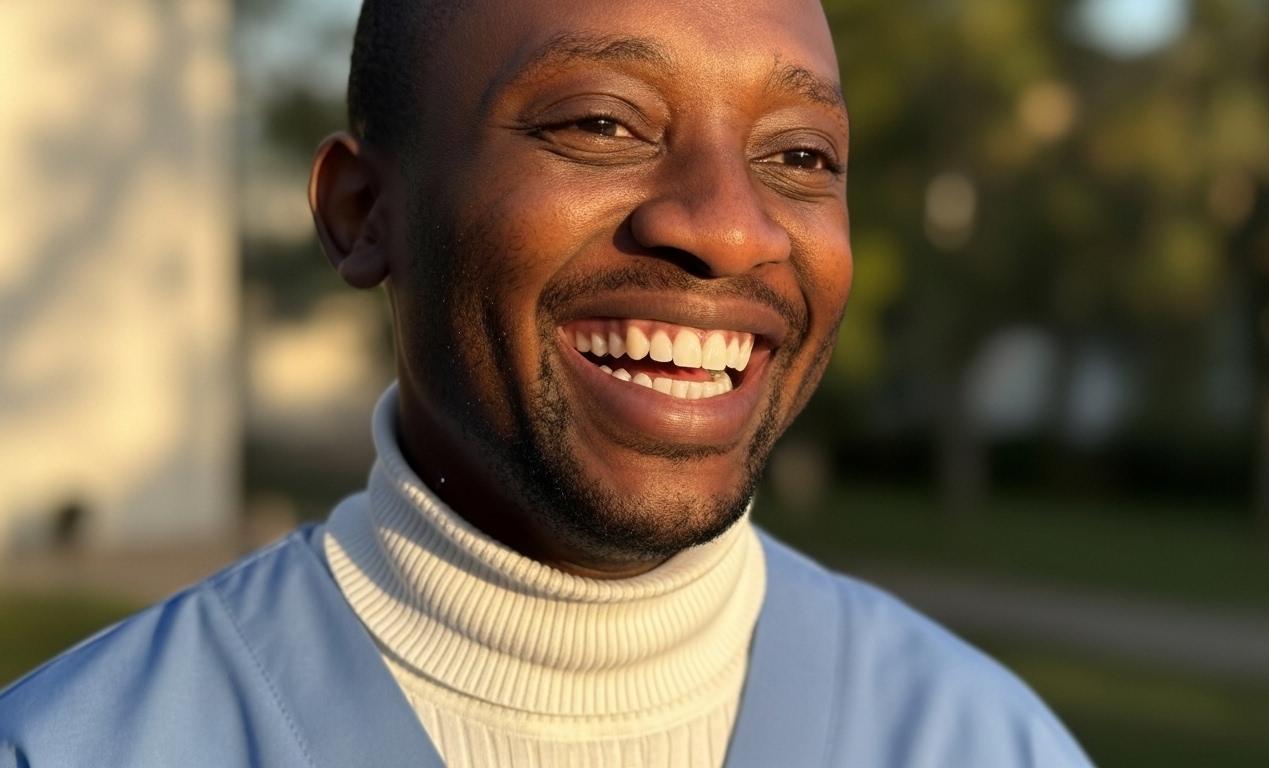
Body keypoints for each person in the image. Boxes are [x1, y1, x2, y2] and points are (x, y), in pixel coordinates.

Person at [0, 0, 1093, 765]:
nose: (728, 228)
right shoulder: (78, 747)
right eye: (602, 123)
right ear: (362, 215)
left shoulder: (978, 742)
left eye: (799, 155)